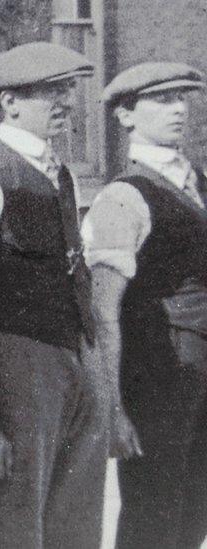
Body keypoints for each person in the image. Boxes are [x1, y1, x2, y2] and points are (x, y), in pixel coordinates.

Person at [0, 42, 108, 549]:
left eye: (68, 89)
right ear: (9, 103)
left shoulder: (60, 173)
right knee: (17, 517)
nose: (65, 102)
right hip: (18, 362)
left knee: (77, 513)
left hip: (74, 353)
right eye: (50, 90)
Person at [83, 62, 207, 549]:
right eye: (161, 100)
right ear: (125, 116)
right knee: (153, 516)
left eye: (183, 98)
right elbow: (103, 312)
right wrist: (114, 407)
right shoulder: (123, 196)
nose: (178, 109)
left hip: (200, 376)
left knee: (195, 512)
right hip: (158, 373)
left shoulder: (198, 180)